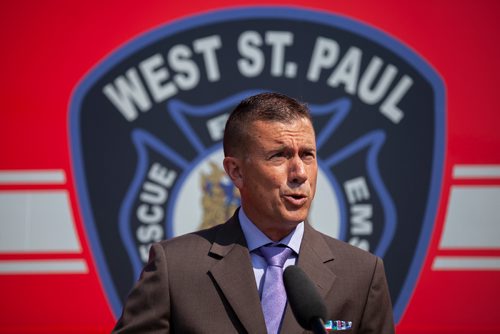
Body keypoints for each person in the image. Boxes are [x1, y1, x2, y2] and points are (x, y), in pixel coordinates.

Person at [112, 92, 395, 333]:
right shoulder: (174, 269)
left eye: (307, 155)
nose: (299, 173)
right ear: (236, 171)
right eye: (279, 156)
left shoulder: (362, 274)